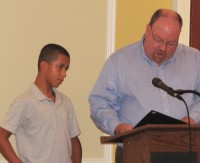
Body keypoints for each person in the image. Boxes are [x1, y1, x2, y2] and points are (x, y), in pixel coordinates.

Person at [88, 8, 200, 163]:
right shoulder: (120, 62)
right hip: (136, 151)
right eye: (158, 40)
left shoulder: (194, 59)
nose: (163, 48)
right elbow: (99, 104)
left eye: (171, 43)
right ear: (148, 29)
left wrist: (192, 119)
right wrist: (117, 127)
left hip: (185, 151)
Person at [0, 44, 82, 163]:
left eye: (66, 68)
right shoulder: (25, 102)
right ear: (44, 66)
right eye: (60, 67)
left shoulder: (65, 102)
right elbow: (1, 137)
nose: (64, 74)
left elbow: (73, 139)